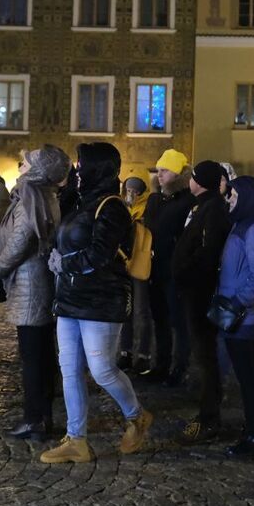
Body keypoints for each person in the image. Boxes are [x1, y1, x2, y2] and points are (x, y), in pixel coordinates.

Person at [40, 142, 153, 464]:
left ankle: (137, 416)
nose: (76, 168)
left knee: (102, 369)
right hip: (70, 299)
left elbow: (101, 255)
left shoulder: (112, 206)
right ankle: (77, 440)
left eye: (81, 163)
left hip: (101, 301)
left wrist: (65, 264)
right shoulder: (78, 201)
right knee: (70, 370)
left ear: (97, 167)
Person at [0, 145, 71, 439]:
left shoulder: (31, 199)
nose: (21, 165)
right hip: (34, 281)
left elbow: (21, 240)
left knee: (33, 354)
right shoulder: (37, 195)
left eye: (26, 163)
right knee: (39, 351)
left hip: (30, 283)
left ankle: (35, 418)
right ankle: (40, 416)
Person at [215, 176, 254, 459]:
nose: (229, 199)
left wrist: (236, 303)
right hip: (238, 314)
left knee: (251, 379)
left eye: (234, 195)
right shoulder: (240, 225)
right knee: (249, 378)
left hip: (246, 318)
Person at [172, 160, 233, 443]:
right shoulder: (204, 205)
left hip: (201, 291)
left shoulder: (213, 208)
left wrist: (187, 271)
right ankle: (208, 411)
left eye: (194, 177)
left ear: (202, 182)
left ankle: (210, 416)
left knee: (205, 355)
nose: (190, 180)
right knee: (202, 354)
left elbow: (208, 253)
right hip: (194, 289)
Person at [142, 148, 194, 384]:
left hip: (175, 269)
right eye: (159, 170)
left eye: (165, 170)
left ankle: (179, 367)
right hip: (155, 267)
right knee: (159, 318)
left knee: (178, 321)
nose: (159, 174)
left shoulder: (187, 201)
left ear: (178, 173)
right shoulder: (154, 199)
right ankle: (161, 364)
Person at [118, 175, 154, 374]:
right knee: (127, 310)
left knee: (141, 311)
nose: (130, 194)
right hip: (125, 263)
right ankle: (125, 351)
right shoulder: (121, 207)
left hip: (140, 264)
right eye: (128, 190)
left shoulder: (147, 208)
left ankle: (143, 354)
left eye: (134, 191)